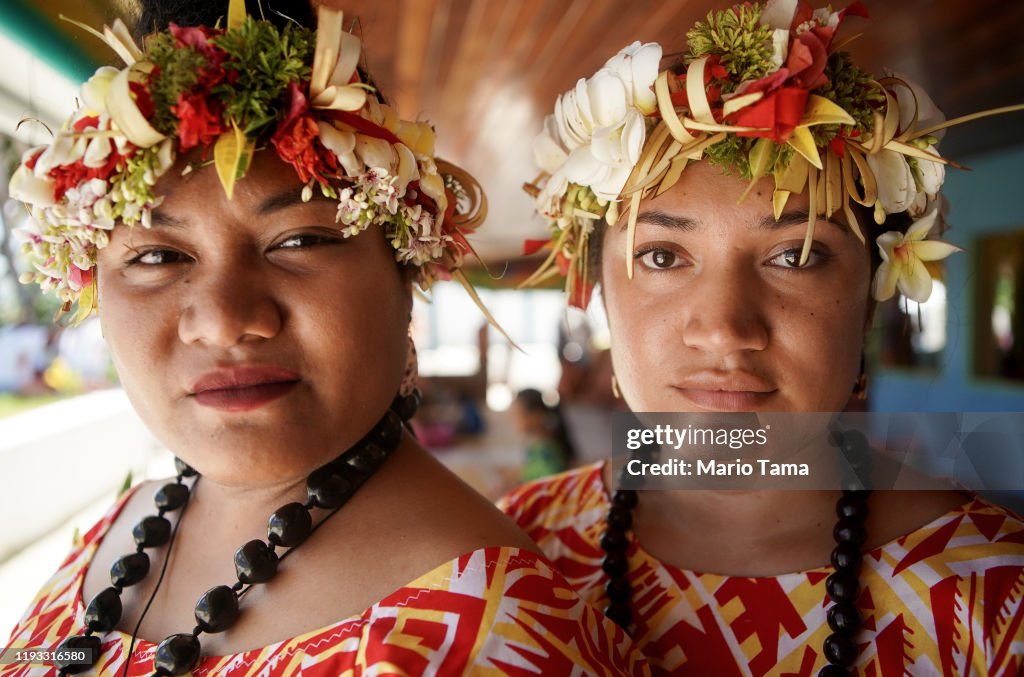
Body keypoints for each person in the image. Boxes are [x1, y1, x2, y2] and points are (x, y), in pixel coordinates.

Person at [1, 1, 647, 674]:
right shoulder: (118, 530)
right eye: (157, 256)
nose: (224, 318)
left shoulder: (490, 634)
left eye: (301, 240)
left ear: (408, 272)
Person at [500, 2, 1024, 675]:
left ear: (871, 293)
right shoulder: (511, 557)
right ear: (598, 287)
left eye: (796, 255)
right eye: (662, 256)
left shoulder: (994, 593)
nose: (725, 327)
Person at [511, 388, 573, 482]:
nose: (513, 420)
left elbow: (545, 485)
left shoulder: (547, 451)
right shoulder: (536, 447)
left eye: (517, 414)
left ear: (537, 415)